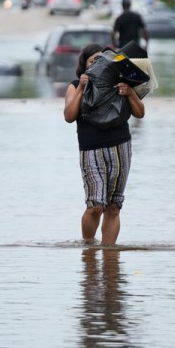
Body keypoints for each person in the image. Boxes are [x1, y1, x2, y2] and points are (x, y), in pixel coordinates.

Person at [64, 43, 146, 245]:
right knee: (95, 205)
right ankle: (88, 248)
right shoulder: (76, 85)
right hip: (91, 149)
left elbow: (140, 113)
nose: (100, 64)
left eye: (103, 60)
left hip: (120, 146)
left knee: (113, 205)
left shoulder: (122, 84)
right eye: (94, 61)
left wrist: (130, 93)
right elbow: (69, 116)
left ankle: (110, 255)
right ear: (85, 66)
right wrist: (83, 87)